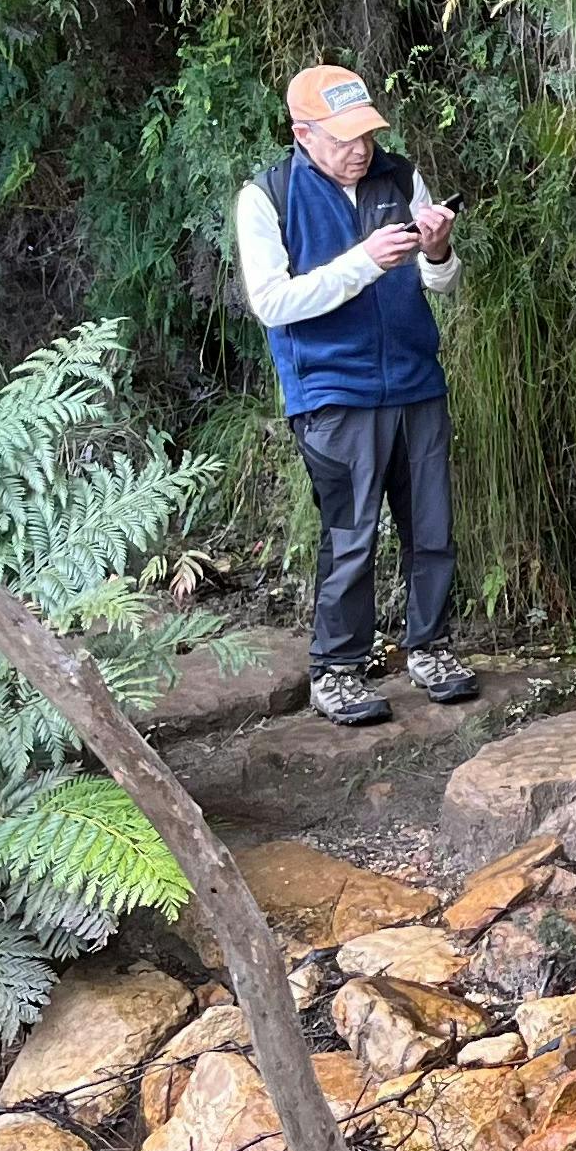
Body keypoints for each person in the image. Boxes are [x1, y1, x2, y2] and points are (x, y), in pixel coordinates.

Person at [238, 64, 475, 727]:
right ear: (302, 134)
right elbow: (272, 302)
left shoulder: (398, 179)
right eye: (343, 139)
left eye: (366, 135)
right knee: (350, 536)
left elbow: (441, 283)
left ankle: (431, 649)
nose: (360, 150)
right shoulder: (269, 196)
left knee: (432, 528)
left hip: (415, 381)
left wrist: (437, 248)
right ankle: (337, 671)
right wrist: (365, 260)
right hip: (330, 393)